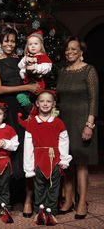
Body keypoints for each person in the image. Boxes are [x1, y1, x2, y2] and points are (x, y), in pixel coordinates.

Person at [0, 27, 40, 217]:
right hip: (6, 111)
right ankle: (4, 198)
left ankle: (27, 199)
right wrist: (27, 86)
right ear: (0, 42)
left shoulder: (22, 60)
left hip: (24, 109)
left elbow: (38, 78)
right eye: (6, 40)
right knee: (6, 152)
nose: (10, 44)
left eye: (13, 41)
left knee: (26, 151)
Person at [56, 37, 98, 219]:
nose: (69, 52)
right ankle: (69, 199)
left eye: (74, 49)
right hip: (64, 122)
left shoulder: (89, 70)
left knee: (81, 163)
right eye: (67, 49)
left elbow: (94, 99)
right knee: (67, 161)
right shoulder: (63, 71)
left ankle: (81, 202)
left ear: (81, 52)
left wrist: (89, 124)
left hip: (82, 121)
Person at [23, 90, 72, 226]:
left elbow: (64, 142)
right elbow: (28, 145)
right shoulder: (32, 123)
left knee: (54, 186)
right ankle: (40, 210)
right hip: (38, 159)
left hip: (54, 159)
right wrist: (28, 166)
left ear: (54, 104)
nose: (45, 104)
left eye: (49, 101)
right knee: (39, 186)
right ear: (37, 104)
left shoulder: (58, 123)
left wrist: (63, 159)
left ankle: (52, 211)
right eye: (42, 101)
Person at [17, 30, 52, 114]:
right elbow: (19, 66)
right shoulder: (27, 56)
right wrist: (25, 60)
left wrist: (36, 67)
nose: (33, 46)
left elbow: (48, 67)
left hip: (38, 84)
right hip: (27, 84)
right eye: (30, 44)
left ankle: (38, 114)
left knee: (40, 100)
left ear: (41, 45)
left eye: (36, 44)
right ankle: (31, 110)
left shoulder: (43, 57)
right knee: (20, 96)